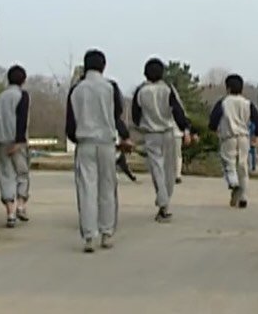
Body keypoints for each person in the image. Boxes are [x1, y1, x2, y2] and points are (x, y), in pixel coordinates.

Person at [66, 49, 133, 253]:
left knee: (87, 189)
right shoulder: (110, 88)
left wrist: (75, 138)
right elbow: (117, 115)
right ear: (103, 66)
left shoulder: (76, 90)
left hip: (85, 142)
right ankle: (106, 233)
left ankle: (89, 237)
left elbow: (70, 122)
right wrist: (124, 137)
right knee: (107, 188)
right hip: (106, 143)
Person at [132, 58, 191, 223]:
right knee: (169, 171)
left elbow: (136, 116)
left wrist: (141, 124)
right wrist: (186, 128)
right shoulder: (167, 89)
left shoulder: (140, 91)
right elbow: (178, 111)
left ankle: (162, 200)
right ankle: (165, 203)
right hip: (167, 132)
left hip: (150, 134)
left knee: (156, 169)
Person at [209, 74, 258, 208]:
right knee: (243, 167)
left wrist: (214, 129)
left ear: (227, 88)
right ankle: (243, 196)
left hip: (228, 137)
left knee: (229, 164)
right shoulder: (247, 103)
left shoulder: (223, 102)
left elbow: (213, 121)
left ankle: (234, 184)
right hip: (244, 137)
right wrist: (256, 133)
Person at [0, 65, 31, 228]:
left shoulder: (0, 98)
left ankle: (10, 213)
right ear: (23, 80)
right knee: (22, 173)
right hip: (17, 141)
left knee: (5, 176)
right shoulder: (22, 95)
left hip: (1, 141)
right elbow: (22, 119)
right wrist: (20, 141)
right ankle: (21, 205)